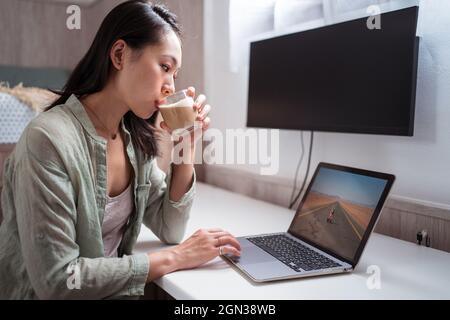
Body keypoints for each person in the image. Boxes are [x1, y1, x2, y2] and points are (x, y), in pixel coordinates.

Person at [0, 0, 240, 299]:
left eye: (174, 75)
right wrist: (176, 257)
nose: (169, 86)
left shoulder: (133, 139)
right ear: (119, 55)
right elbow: (59, 281)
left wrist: (186, 145)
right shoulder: (47, 140)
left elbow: (170, 228)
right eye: (164, 67)